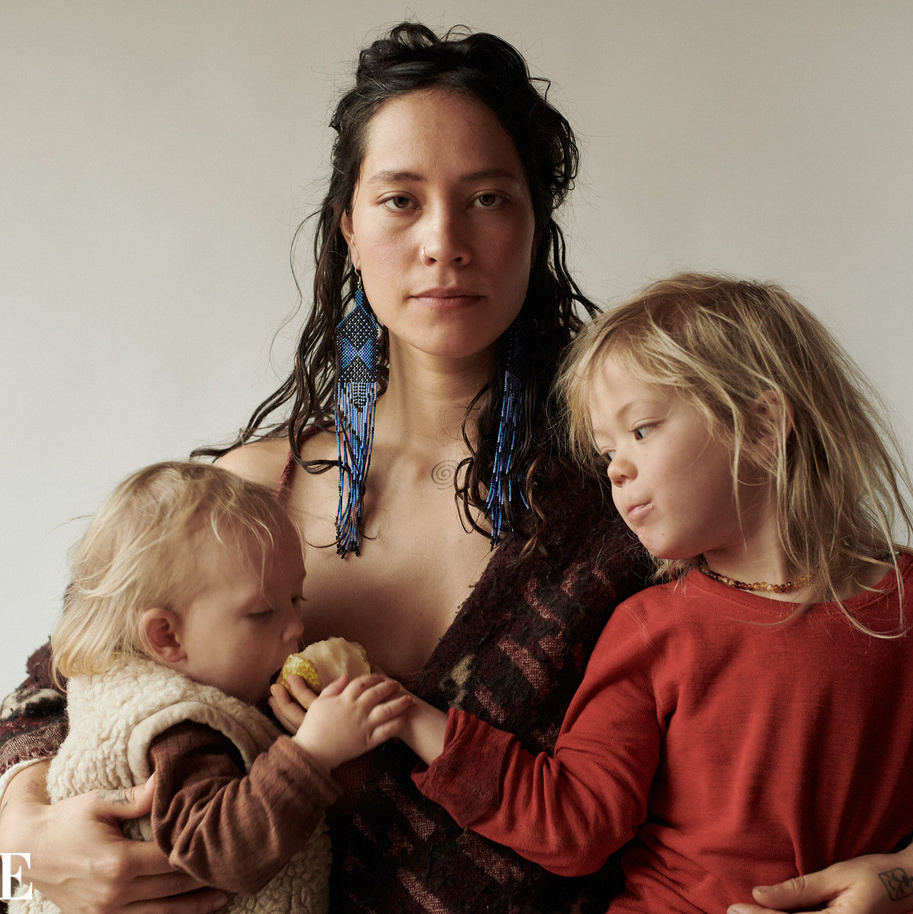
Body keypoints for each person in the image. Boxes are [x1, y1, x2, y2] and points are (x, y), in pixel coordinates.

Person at [0, 21, 908, 914]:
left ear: (534, 224)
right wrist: (22, 848)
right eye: (400, 199)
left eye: (486, 197)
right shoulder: (244, 496)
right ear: (348, 228)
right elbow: (54, 696)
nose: (445, 241)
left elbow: (850, 692)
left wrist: (903, 880)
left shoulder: (644, 501)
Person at [390, 272, 913, 912]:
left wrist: (900, 881)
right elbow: (576, 822)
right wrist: (408, 717)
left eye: (641, 430)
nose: (615, 468)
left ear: (763, 428)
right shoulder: (649, 628)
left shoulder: (903, 603)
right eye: (606, 449)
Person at [10, 461, 409, 913]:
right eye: (262, 613)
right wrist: (315, 752)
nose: (296, 626)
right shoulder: (178, 728)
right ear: (166, 637)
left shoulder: (141, 681)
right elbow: (220, 854)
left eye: (298, 598)